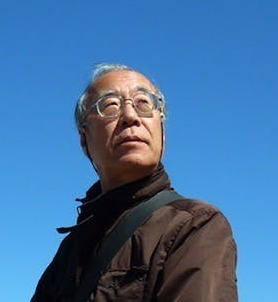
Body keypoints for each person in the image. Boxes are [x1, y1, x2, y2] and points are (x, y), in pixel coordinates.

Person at [31, 63, 238, 301]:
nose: (130, 116)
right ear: (84, 139)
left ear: (162, 132)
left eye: (143, 103)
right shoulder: (69, 251)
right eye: (110, 105)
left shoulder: (193, 224)